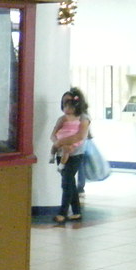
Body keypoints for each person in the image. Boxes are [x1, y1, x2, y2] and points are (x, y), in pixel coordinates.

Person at [50, 88, 90, 224]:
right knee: (70, 183)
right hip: (60, 153)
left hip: (75, 155)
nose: (66, 105)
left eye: (68, 102)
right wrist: (58, 144)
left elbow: (80, 136)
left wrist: (61, 143)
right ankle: (77, 212)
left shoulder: (84, 118)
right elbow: (53, 135)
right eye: (64, 102)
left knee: (66, 183)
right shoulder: (62, 119)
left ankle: (62, 213)